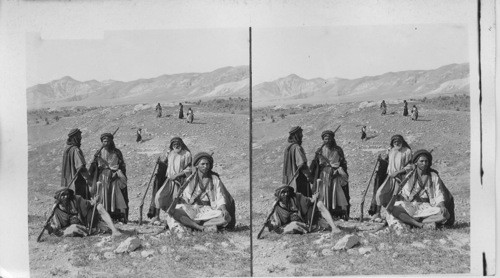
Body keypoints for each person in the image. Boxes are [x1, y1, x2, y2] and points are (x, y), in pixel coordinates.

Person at [386, 150, 455, 229]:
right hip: (412, 205)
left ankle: (411, 222)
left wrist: (442, 206)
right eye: (421, 161)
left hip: (427, 207)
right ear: (416, 162)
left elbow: (438, 193)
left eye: (426, 161)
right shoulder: (410, 175)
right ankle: (420, 225)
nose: (424, 164)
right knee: (394, 209)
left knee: (445, 214)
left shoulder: (433, 175)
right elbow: (404, 192)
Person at [169, 152, 236, 232]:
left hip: (208, 210)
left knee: (225, 218)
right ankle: (202, 228)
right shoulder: (191, 178)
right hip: (193, 208)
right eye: (203, 164)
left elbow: (220, 196)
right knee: (174, 211)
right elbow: (186, 196)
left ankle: (191, 224)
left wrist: (224, 210)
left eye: (207, 164)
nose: (205, 166)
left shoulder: (214, 178)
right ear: (197, 165)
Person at [45, 188, 121, 237]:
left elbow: (89, 204)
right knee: (73, 228)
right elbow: (56, 227)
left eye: (67, 194)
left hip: (86, 221)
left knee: (99, 206)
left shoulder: (76, 199)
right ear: (58, 197)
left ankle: (115, 231)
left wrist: (94, 201)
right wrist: (49, 227)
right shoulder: (56, 210)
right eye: (63, 195)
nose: (66, 197)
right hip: (72, 226)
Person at [266, 185, 341, 235]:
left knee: (319, 203)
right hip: (292, 225)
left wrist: (315, 197)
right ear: (278, 194)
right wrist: (269, 224)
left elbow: (310, 201)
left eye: (287, 192)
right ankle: (313, 228)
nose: (286, 194)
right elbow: (276, 225)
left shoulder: (296, 197)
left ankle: (334, 228)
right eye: (283, 192)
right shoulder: (275, 208)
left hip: (306, 219)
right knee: (294, 225)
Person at [309, 130, 350, 220]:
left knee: (337, 192)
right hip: (324, 174)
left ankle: (339, 213)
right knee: (324, 193)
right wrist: (317, 156)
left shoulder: (338, 150)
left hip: (335, 174)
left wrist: (338, 171)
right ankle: (326, 213)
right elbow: (316, 165)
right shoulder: (320, 150)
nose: (326, 140)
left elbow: (343, 162)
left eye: (328, 138)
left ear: (332, 139)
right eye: (325, 139)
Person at [371, 135, 413, 222]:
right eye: (395, 142)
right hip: (390, 177)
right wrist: (381, 160)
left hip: (401, 178)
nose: (397, 143)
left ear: (402, 141)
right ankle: (378, 213)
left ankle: (398, 216)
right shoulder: (390, 150)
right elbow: (387, 162)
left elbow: (410, 166)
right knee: (380, 193)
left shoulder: (407, 151)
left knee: (397, 197)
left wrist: (398, 172)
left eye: (398, 141)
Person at [90, 133, 128, 223]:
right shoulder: (99, 152)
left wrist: (117, 173)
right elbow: (93, 166)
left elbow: (122, 165)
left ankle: (117, 216)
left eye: (107, 141)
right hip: (103, 176)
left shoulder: (117, 152)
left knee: (115, 195)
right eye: (104, 141)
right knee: (103, 195)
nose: (105, 143)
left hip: (114, 176)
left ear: (111, 141)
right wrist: (94, 159)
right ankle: (104, 216)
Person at [153, 137, 192, 226]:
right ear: (171, 145)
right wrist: (159, 163)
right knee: (159, 196)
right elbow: (166, 164)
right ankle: (157, 216)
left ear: (181, 144)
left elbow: (189, 169)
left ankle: (175, 220)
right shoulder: (170, 153)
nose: (176, 146)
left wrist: (177, 175)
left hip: (180, 181)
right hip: (169, 180)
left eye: (178, 144)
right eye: (174, 144)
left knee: (176, 201)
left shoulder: (186, 154)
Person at [61, 128, 91, 199]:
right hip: (77, 182)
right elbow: (80, 167)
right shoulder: (75, 150)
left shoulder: (67, 149)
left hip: (68, 182)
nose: (80, 138)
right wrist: (89, 178)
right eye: (79, 137)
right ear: (75, 137)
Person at [283, 126, 312, 197]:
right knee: (304, 201)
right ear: (296, 135)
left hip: (290, 180)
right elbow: (301, 165)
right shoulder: (296, 147)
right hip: (299, 179)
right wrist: (309, 176)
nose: (302, 136)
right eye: (300, 134)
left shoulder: (288, 147)